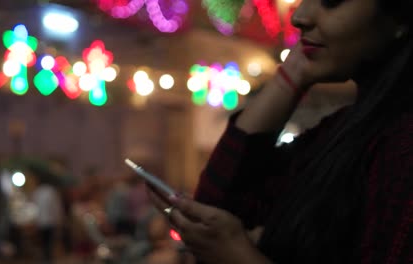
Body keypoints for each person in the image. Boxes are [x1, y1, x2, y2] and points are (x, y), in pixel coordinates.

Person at [148, 0, 413, 263]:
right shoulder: (352, 127)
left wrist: (238, 257)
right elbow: (219, 210)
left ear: (401, 17)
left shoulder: (402, 142)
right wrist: (293, 72)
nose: (299, 16)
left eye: (331, 2)